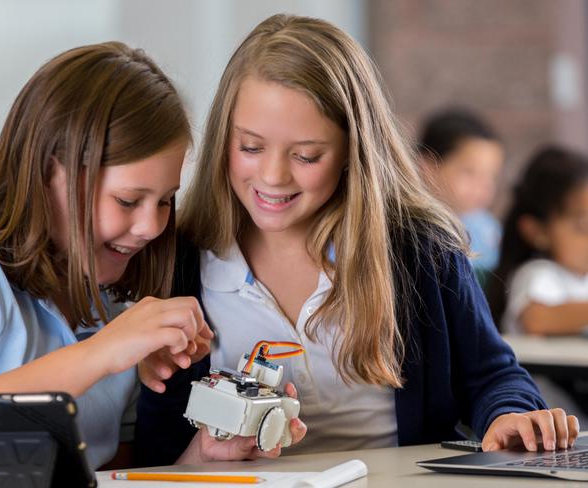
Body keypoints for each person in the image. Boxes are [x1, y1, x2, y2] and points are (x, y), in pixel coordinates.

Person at [135, 14, 578, 465]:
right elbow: (158, 448)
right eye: (250, 147)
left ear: (353, 151)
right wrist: (202, 451)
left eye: (307, 155)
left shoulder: (419, 250)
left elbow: (493, 377)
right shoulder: (183, 259)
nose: (271, 176)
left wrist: (508, 416)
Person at [0, 42, 302, 470]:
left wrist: (203, 458)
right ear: (49, 173)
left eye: (166, 200)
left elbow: (117, 478)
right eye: (128, 201)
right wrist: (104, 353)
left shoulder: (113, 302)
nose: (152, 226)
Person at [486, 146, 588, 422]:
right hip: (547, 404)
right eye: (582, 227)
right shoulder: (538, 273)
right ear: (537, 230)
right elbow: (537, 319)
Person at [418, 109, 505, 284]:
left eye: (492, 176)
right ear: (428, 166)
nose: (484, 186)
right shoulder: (415, 230)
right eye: (470, 172)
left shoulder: (488, 229)